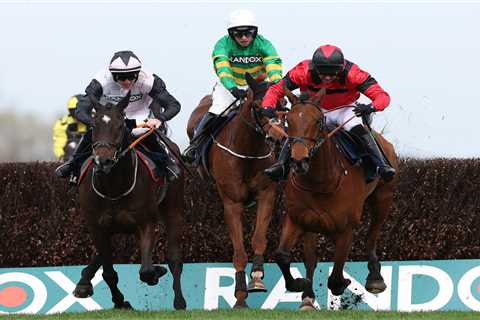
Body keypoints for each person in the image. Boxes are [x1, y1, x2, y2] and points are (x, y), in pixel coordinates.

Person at [260, 44, 396, 182]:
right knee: (298, 130)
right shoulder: (302, 72)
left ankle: (380, 165)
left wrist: (371, 107)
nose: (327, 77)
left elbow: (382, 96)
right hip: (315, 110)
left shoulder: (353, 74)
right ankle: (281, 166)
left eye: (332, 73)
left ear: (341, 69)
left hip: (345, 109)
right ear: (314, 68)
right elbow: (276, 90)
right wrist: (267, 105)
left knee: (358, 128)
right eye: (322, 73)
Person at [54, 50, 181, 183]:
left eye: (132, 76)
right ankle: (73, 164)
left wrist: (160, 118)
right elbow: (81, 108)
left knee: (143, 133)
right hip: (109, 116)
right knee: (93, 133)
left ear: (138, 73)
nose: (127, 81)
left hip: (138, 114)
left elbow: (174, 105)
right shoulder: (101, 81)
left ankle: (167, 163)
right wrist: (92, 122)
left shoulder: (149, 80)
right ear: (112, 75)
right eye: (121, 77)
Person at [182, 9, 283, 163]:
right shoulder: (222, 45)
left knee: (278, 109)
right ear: (231, 34)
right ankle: (195, 145)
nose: (243, 37)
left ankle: (285, 150)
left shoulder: (264, 44)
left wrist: (276, 84)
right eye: (238, 34)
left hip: (257, 86)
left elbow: (273, 65)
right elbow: (222, 67)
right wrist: (232, 88)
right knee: (217, 109)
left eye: (248, 33)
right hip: (230, 86)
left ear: (254, 32)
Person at [52, 94, 88, 161]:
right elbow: (59, 143)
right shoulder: (62, 123)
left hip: (91, 153)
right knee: (73, 145)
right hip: (70, 155)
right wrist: (61, 156)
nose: (77, 113)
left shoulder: (95, 120)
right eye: (73, 110)